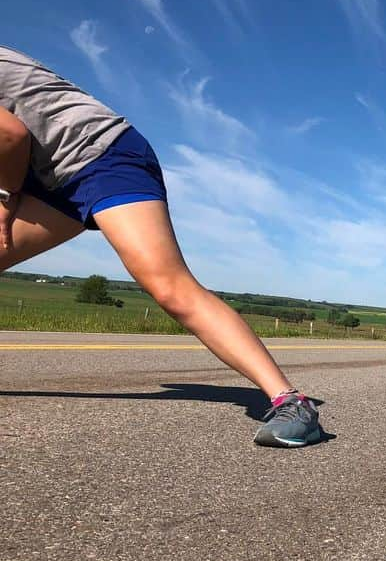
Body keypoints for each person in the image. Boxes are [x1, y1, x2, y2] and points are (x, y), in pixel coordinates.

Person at [0, 45, 319, 448]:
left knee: (169, 286)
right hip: (50, 175)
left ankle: (293, 404)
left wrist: (6, 198)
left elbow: (10, 134)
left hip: (101, 155)